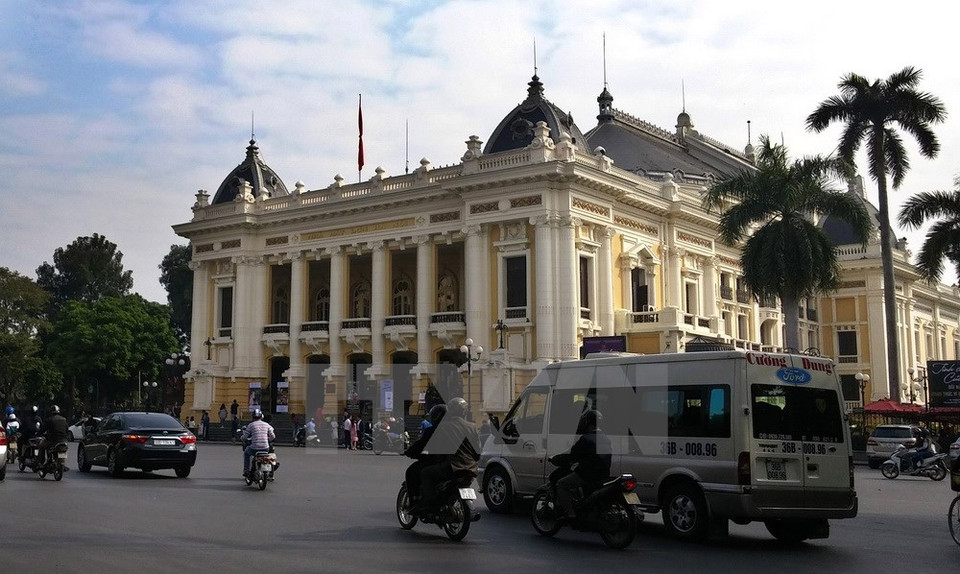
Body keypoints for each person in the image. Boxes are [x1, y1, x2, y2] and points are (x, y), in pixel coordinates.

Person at [418, 397, 481, 511]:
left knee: (425, 473)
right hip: (471, 468)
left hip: (452, 467)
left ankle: (430, 504)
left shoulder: (443, 426)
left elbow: (435, 448)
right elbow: (478, 451)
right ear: (465, 411)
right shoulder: (472, 427)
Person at [551, 410, 611, 519]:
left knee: (561, 484)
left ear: (588, 422)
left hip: (588, 474)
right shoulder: (605, 437)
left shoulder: (586, 439)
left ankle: (570, 514)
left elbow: (572, 455)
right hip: (603, 474)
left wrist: (556, 459)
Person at [404, 404, 446, 511]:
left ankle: (423, 501)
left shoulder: (432, 430)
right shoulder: (455, 429)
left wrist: (409, 452)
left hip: (439, 463)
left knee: (415, 472)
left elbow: (420, 444)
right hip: (460, 464)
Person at [241, 409, 275, 477]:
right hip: (265, 448)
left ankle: (246, 470)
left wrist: (242, 439)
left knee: (246, 453)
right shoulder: (267, 425)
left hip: (254, 448)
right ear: (261, 417)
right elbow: (273, 436)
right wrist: (268, 440)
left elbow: (245, 436)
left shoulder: (251, 425)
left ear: (253, 417)